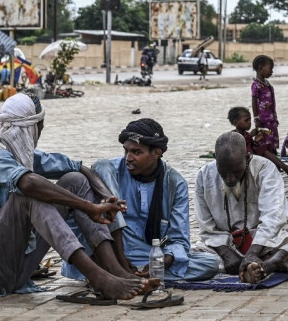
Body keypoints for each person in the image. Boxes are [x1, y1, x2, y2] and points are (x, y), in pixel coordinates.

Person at [0, 93, 159, 300]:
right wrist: (89, 208)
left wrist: (107, 199)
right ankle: (99, 277)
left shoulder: (20, 153)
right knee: (28, 196)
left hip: (19, 268)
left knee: (75, 181)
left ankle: (115, 270)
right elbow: (29, 183)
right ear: (30, 127)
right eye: (39, 127)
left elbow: (79, 168)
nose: (39, 134)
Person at [62, 118, 220, 282]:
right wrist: (120, 260)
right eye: (126, 151)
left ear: (156, 153)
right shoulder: (109, 171)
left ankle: (136, 276)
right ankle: (114, 269)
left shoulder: (174, 182)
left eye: (136, 152)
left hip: (144, 254)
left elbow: (179, 238)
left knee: (209, 264)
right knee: (101, 165)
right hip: (106, 252)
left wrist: (160, 263)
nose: (128, 158)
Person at [195, 132, 288, 283]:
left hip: (271, 243)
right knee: (190, 255)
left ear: (247, 158)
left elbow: (273, 218)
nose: (230, 179)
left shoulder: (265, 169)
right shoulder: (204, 175)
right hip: (229, 248)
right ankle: (258, 265)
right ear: (215, 159)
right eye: (224, 172)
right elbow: (207, 228)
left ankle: (271, 263)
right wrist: (227, 254)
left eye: (236, 172)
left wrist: (252, 253)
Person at [250, 55, 288, 175]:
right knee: (264, 147)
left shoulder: (266, 84)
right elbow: (254, 102)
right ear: (260, 67)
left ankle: (274, 167)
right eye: (270, 68)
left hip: (271, 121)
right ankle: (284, 167)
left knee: (271, 146)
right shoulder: (256, 85)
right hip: (263, 121)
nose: (272, 71)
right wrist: (256, 118)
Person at [228, 106, 288, 175]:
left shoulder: (246, 133)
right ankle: (284, 168)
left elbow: (251, 146)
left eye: (250, 120)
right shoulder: (233, 134)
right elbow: (239, 145)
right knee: (263, 150)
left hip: (251, 156)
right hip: (242, 160)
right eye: (246, 120)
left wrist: (256, 141)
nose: (249, 123)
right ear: (235, 122)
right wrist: (250, 135)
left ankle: (285, 168)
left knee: (264, 149)